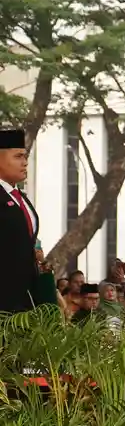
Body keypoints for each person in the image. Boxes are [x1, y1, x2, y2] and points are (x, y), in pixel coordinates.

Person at [0, 129, 37, 313]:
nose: (25, 163)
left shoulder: (19, 196)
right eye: (18, 157)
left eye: (25, 156)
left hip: (25, 298)